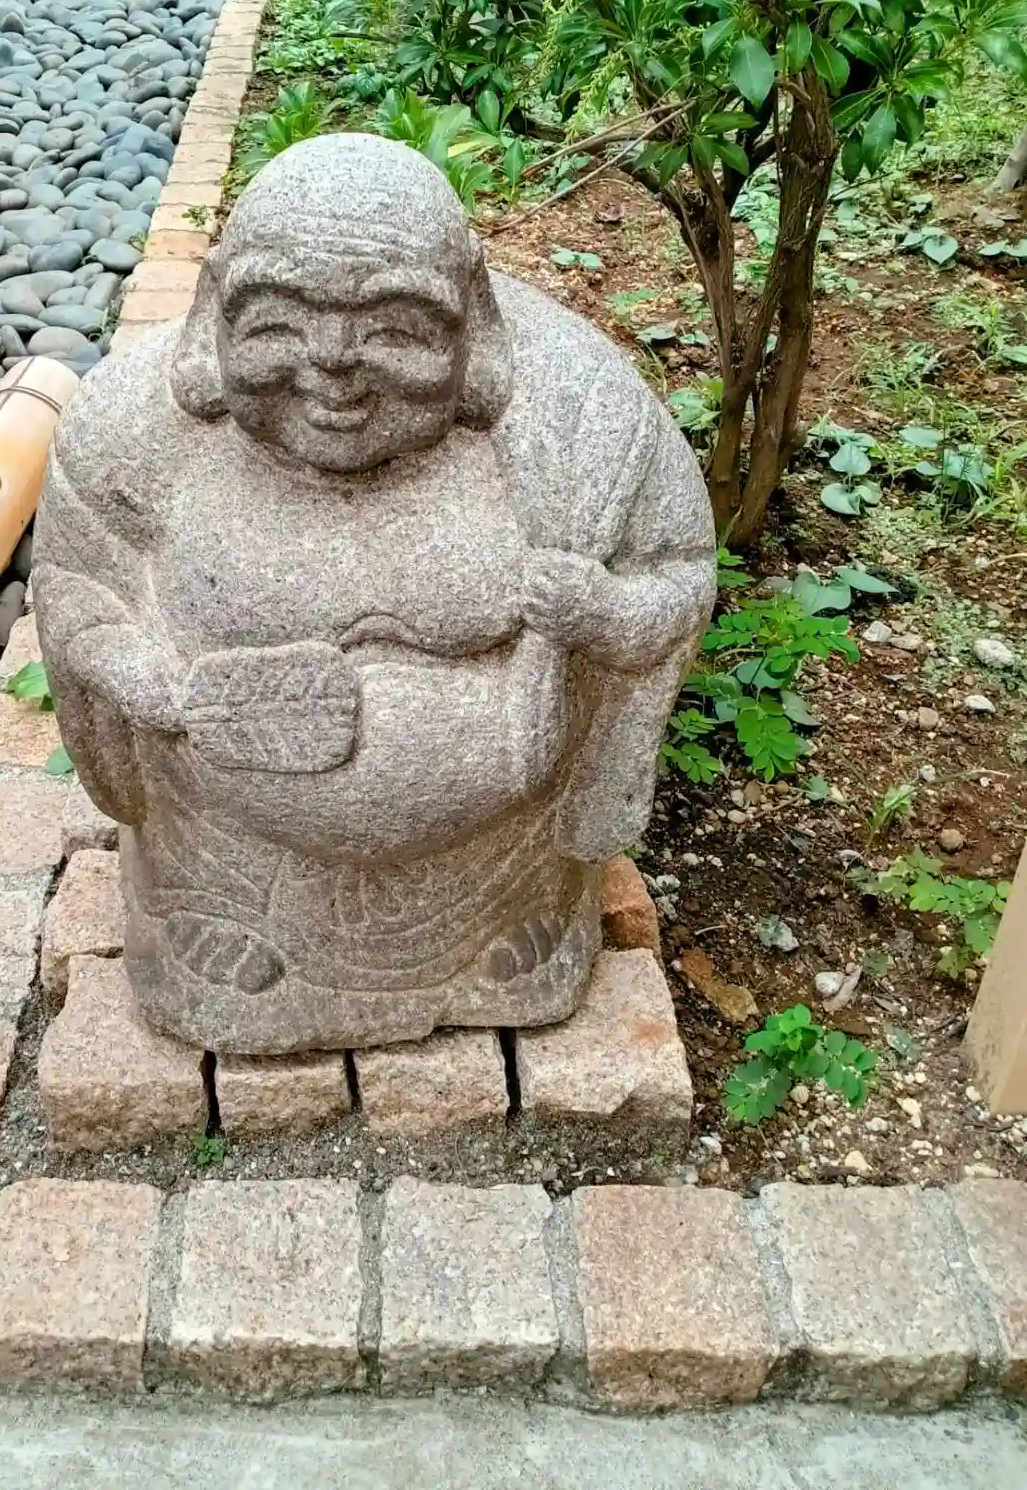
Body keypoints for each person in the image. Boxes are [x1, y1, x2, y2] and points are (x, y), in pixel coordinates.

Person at [35, 134, 716, 1052]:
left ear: (470, 319)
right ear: (213, 308)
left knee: (510, 927)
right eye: (278, 324)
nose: (331, 365)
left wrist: (605, 614)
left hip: (497, 858)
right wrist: (144, 679)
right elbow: (74, 589)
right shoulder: (134, 432)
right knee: (217, 923)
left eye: (393, 329)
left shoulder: (581, 425)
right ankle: (208, 907)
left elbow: (677, 578)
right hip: (226, 842)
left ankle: (519, 913)